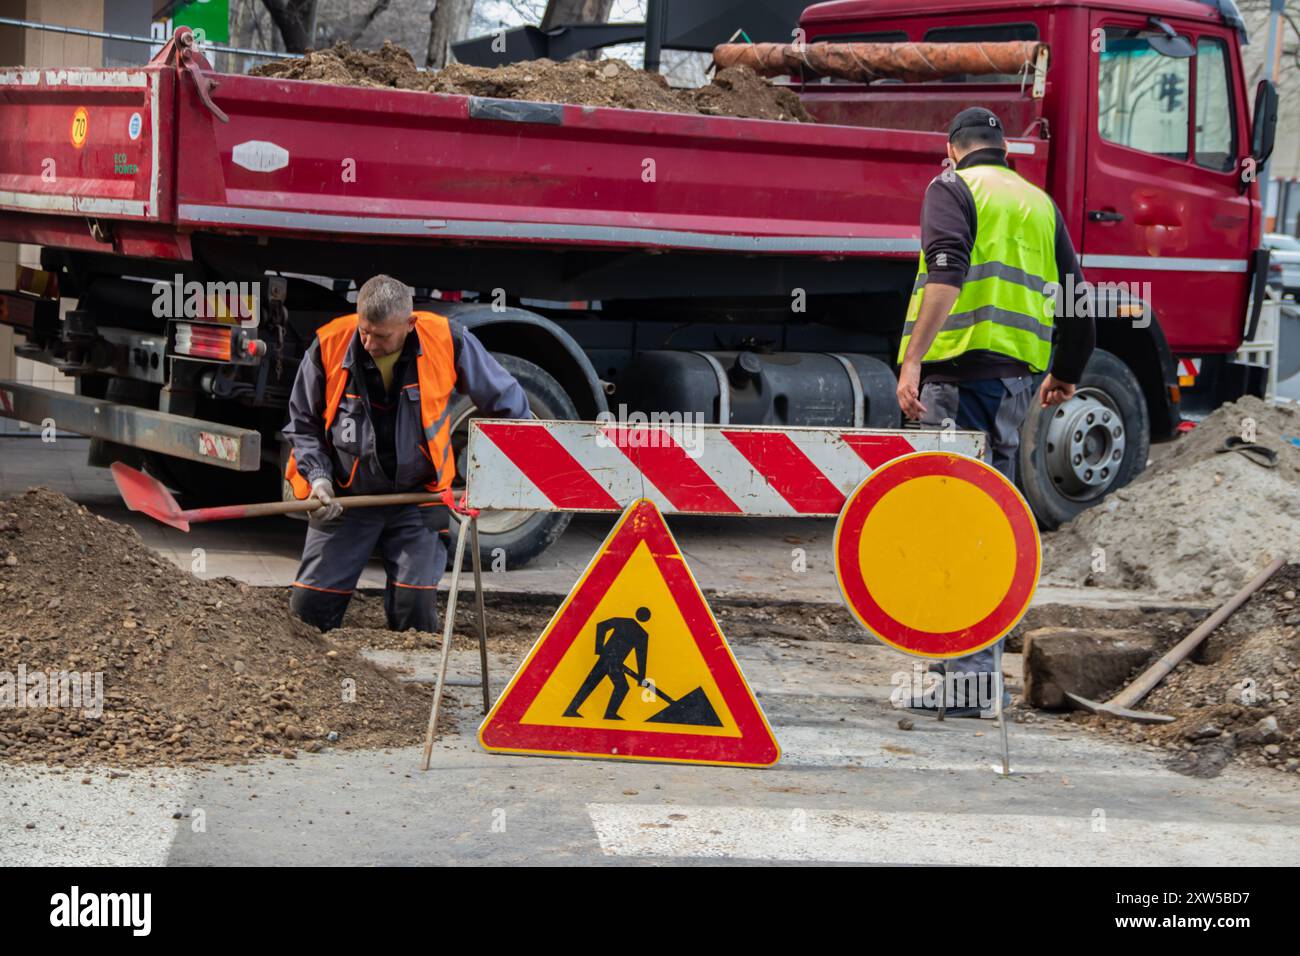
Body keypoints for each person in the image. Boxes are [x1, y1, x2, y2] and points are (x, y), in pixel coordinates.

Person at [895, 107, 1095, 715]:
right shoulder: (1039, 203)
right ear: (1004, 150)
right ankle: (970, 666)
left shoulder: (951, 188)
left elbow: (947, 275)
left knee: (956, 524)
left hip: (957, 380)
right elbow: (1077, 299)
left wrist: (914, 360)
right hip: (1012, 385)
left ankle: (971, 680)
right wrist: (1066, 371)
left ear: (951, 149)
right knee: (990, 522)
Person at [283, 275, 530, 634]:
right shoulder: (329, 345)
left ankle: (405, 685)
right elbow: (302, 423)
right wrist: (319, 478)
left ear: (410, 324)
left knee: (414, 606)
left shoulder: (447, 339)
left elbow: (508, 403)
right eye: (364, 331)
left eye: (381, 336)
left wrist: (509, 467)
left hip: (419, 498)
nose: (369, 343)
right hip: (345, 498)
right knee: (309, 609)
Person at [563, 608, 652, 720]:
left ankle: (571, 710)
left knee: (591, 683)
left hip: (609, 660)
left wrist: (600, 649)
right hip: (612, 662)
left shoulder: (626, 623)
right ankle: (609, 714)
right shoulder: (641, 634)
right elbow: (641, 657)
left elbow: (641, 656)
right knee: (621, 687)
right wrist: (641, 677)